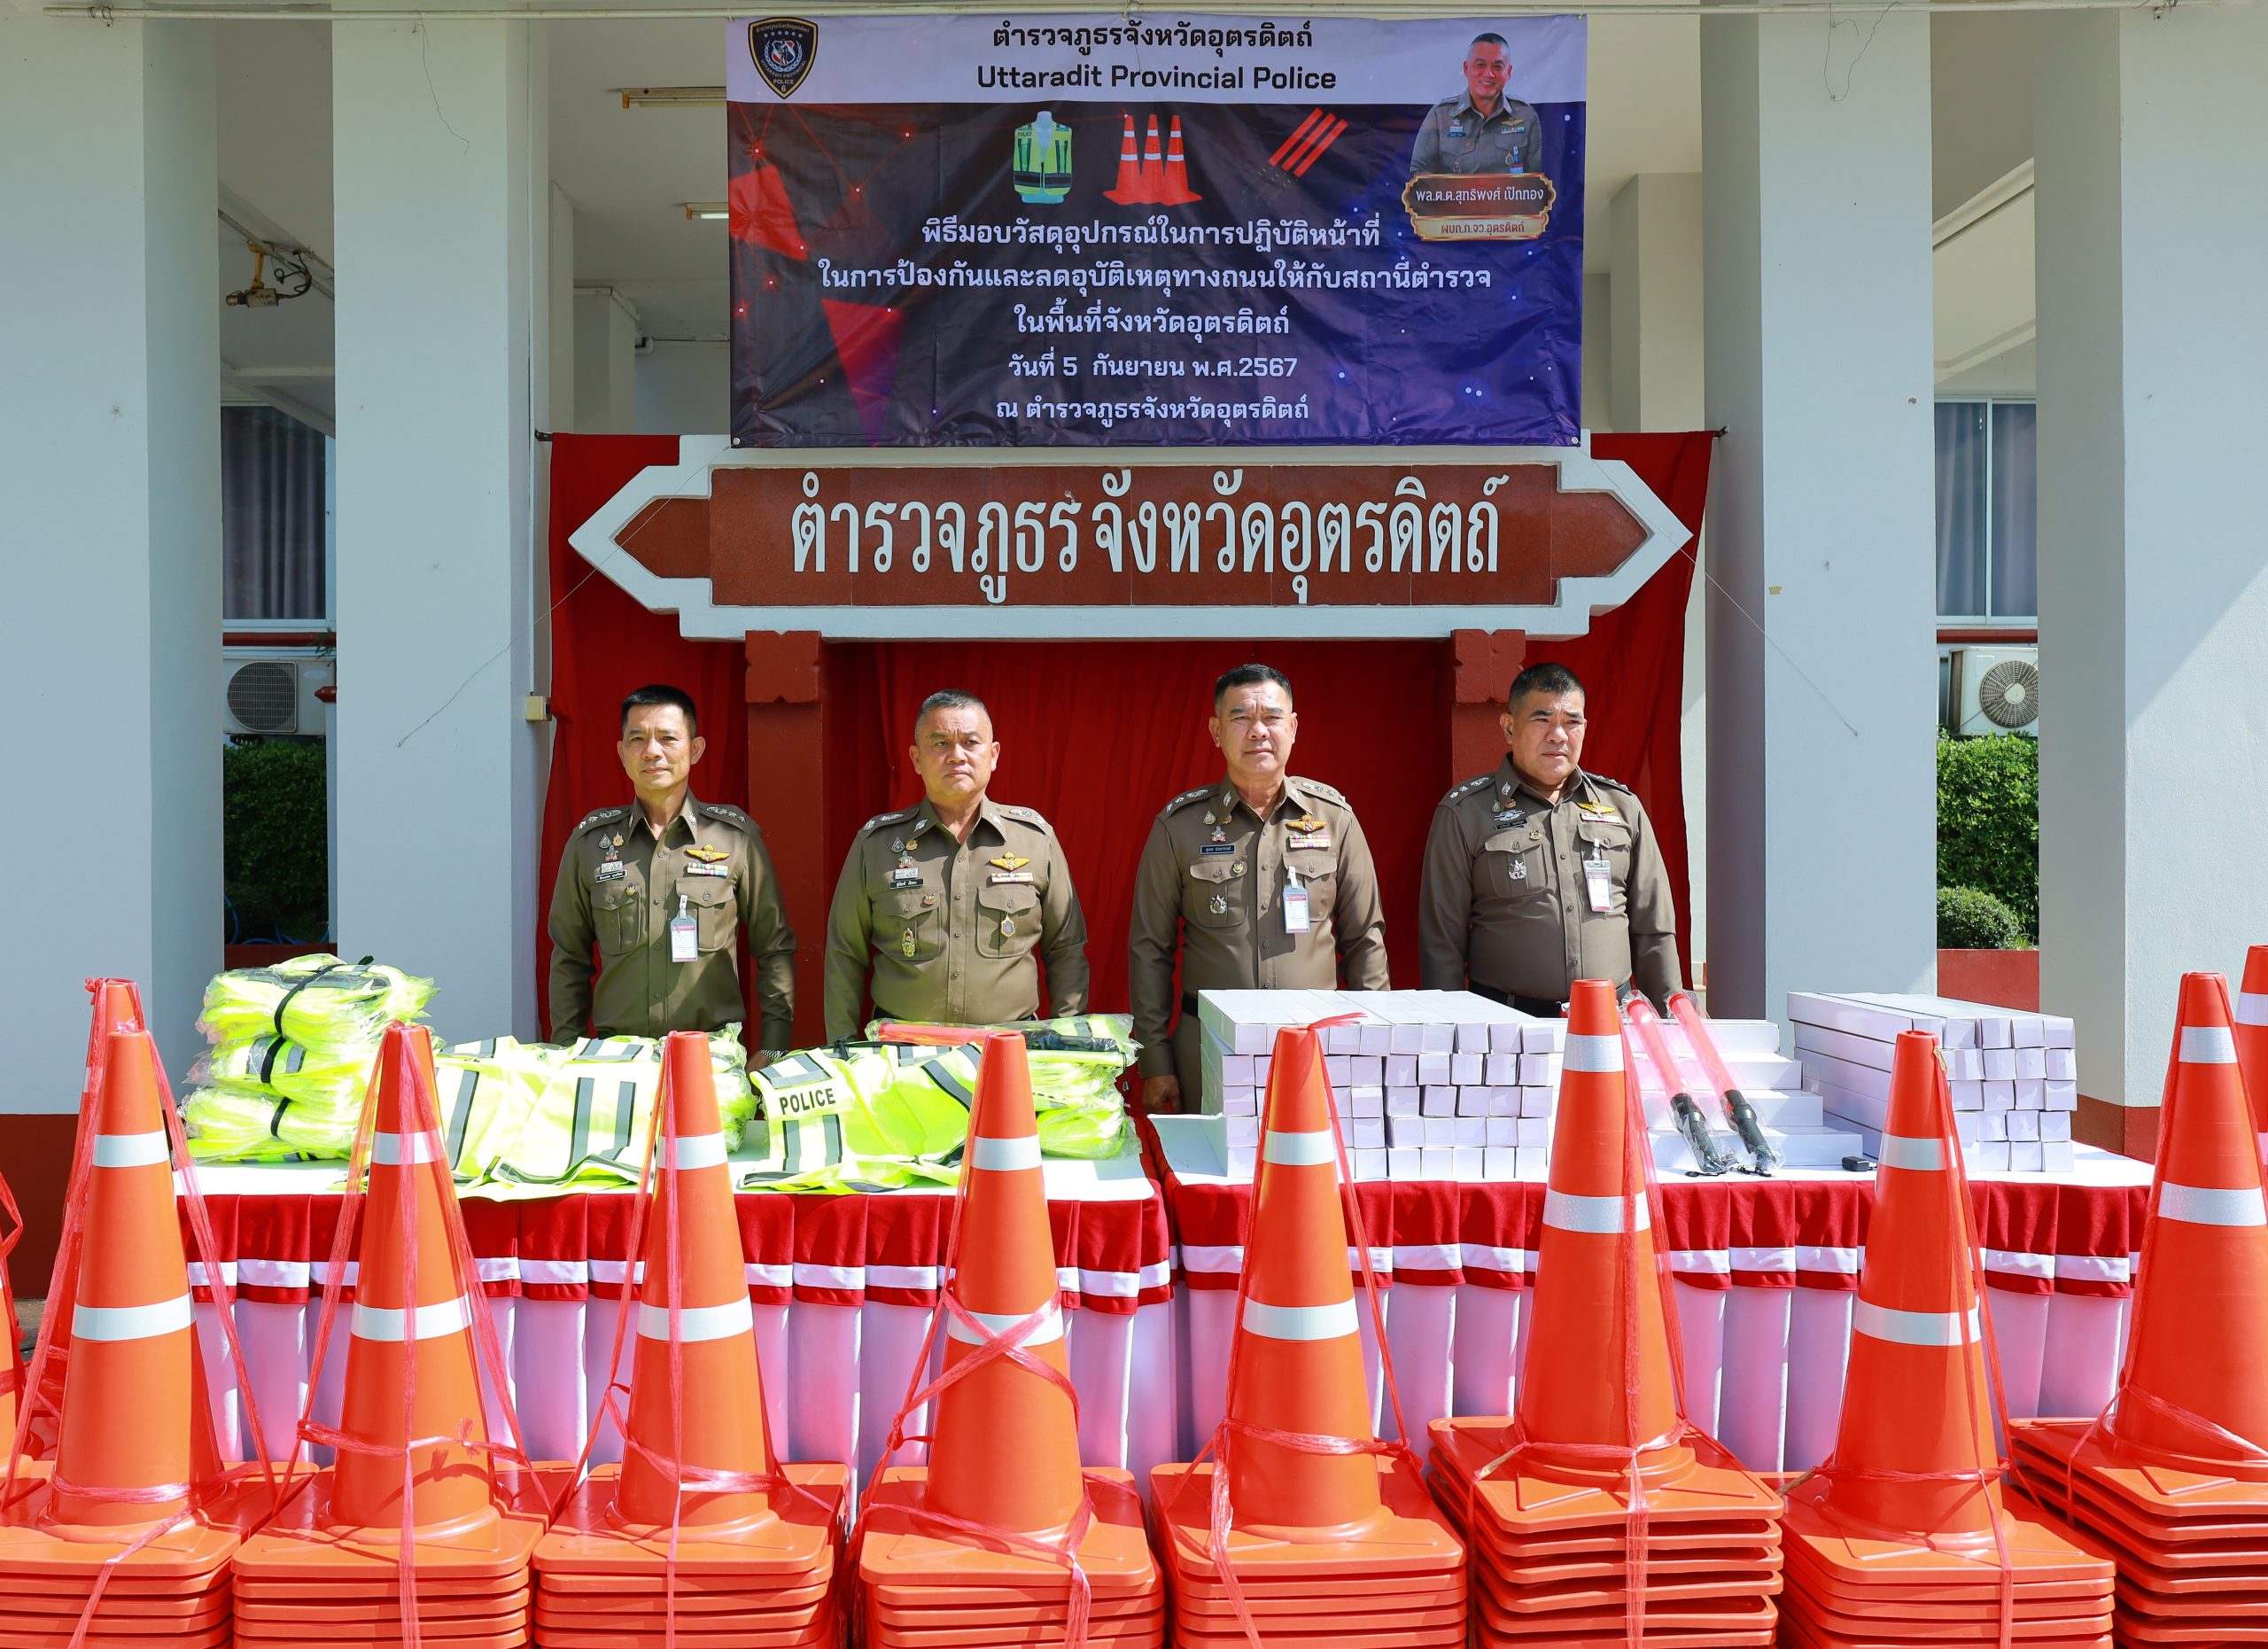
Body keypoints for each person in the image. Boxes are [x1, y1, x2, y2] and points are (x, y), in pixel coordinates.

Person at [1128, 664, 1390, 1113]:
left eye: (1271, 717)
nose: (1258, 731)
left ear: (1293, 727)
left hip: (1316, 1046)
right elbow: (1150, 948)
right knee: (1212, 1180)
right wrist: (1156, 1061)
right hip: (1210, 1048)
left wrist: (1371, 1045)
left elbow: (1365, 939)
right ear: (1215, 731)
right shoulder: (1181, 827)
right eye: (1241, 718)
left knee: (1309, 1177)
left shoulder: (1334, 819)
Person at [824, 689, 1090, 1042]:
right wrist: (842, 1049)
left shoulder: (1034, 840)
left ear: (993, 755)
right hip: (903, 1056)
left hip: (1010, 1053)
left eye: (971, 742)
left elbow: (1067, 949)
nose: (956, 756)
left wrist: (1066, 1042)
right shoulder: (876, 846)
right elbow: (845, 955)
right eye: (940, 743)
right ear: (916, 759)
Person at [1418, 661, 1681, 1012]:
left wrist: (1670, 1016)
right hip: (1508, 1023)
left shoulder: (1623, 807)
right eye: (1542, 720)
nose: (1558, 735)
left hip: (1611, 1021)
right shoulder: (1466, 813)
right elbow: (1441, 942)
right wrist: (1451, 1029)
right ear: (1509, 728)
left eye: (1572, 722)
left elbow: (1654, 927)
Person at [547, 684, 796, 1054]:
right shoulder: (591, 845)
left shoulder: (734, 838)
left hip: (711, 1057)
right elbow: (569, 957)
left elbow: (774, 949)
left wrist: (773, 1048)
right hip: (618, 1059)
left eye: (667, 738)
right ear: (621, 752)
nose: (652, 752)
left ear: (695, 750)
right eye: (637, 739)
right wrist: (567, 1050)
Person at [1408, 32, 1545, 177]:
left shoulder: (1527, 116)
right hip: (1454, 200)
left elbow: (1536, 181)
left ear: (1509, 72)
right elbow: (1419, 173)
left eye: (1498, 67)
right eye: (1480, 65)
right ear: (1466, 68)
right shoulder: (1440, 116)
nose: (1488, 74)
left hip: (1509, 200)